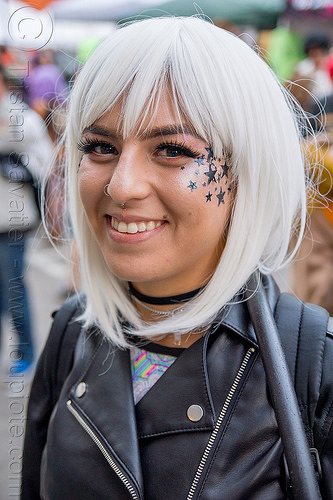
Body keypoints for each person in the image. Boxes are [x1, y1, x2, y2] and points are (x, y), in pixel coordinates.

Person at [21, 17, 333, 499]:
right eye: (101, 146)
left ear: (248, 168)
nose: (121, 186)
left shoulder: (315, 361)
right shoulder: (70, 334)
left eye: (171, 149)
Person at [0, 65, 53, 373]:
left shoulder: (19, 113)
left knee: (14, 286)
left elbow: (26, 136)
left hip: (12, 220)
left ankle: (26, 353)